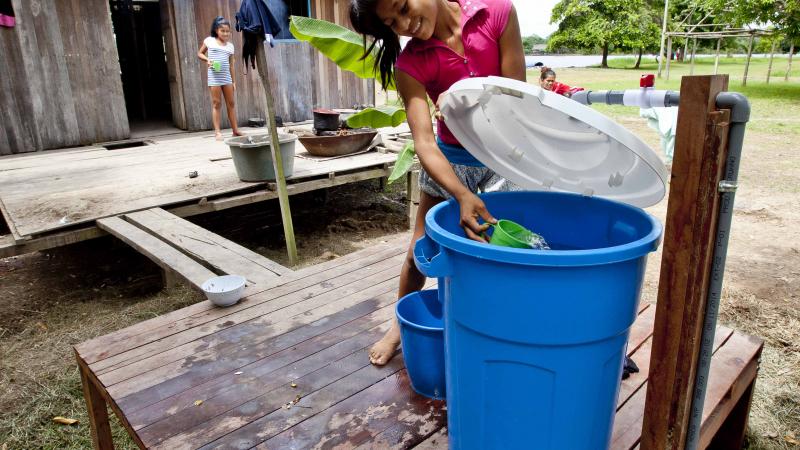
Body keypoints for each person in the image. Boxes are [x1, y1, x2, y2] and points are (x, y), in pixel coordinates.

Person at [349, 0, 526, 365]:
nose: (404, 23)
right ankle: (399, 325)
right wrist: (460, 193)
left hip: (502, 158)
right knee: (419, 249)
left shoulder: (497, 13)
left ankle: (506, 327)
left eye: (402, 7)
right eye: (391, 22)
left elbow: (517, 99)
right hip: (450, 161)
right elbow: (424, 142)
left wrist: (467, 98)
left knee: (506, 247)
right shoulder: (411, 63)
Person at [198, 16, 243, 141]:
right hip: (214, 78)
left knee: (231, 103)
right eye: (222, 30)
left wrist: (234, 81)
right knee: (216, 103)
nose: (225, 33)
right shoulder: (209, 41)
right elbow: (199, 53)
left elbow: (232, 65)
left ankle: (235, 130)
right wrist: (207, 60)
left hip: (226, 77)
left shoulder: (230, 46)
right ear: (216, 30)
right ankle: (217, 132)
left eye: (228, 31)